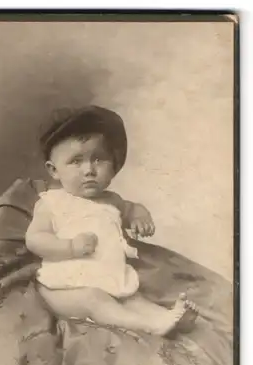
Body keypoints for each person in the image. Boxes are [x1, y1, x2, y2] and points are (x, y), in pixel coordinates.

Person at [25, 105, 198, 338]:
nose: (89, 170)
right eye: (76, 161)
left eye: (98, 159)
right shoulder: (52, 202)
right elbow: (35, 239)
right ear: (54, 170)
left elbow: (132, 209)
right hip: (64, 286)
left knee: (135, 298)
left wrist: (139, 216)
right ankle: (148, 325)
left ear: (113, 165)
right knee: (95, 300)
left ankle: (167, 319)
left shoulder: (113, 201)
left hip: (111, 277)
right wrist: (70, 247)